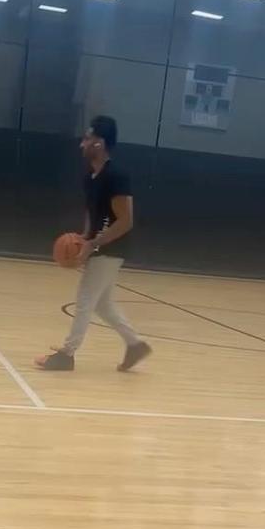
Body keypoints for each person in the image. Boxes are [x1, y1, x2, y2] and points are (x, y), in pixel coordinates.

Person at [35, 115, 151, 372]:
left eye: (87, 139)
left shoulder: (116, 176)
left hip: (113, 246)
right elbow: (92, 211)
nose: (82, 144)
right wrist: (84, 238)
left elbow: (126, 221)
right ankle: (135, 345)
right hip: (99, 244)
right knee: (103, 304)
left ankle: (67, 355)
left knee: (85, 299)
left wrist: (93, 244)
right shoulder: (90, 176)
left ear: (99, 143)